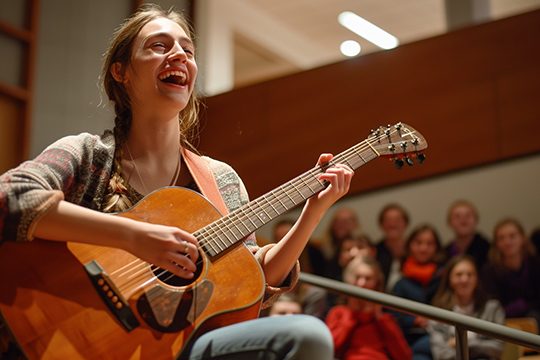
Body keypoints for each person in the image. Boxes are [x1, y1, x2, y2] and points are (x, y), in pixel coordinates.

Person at [0, 4, 355, 359]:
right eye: (159, 46)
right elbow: (10, 197)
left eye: (188, 50)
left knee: (305, 335)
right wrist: (134, 237)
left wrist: (313, 211)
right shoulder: (87, 155)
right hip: (76, 340)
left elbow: (253, 278)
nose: (179, 56)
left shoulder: (219, 179)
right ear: (120, 71)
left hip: (182, 346)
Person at [325, 256, 412, 360]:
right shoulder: (339, 312)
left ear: (376, 283)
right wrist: (352, 316)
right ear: (349, 280)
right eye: (357, 278)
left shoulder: (385, 319)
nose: (362, 284)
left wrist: (379, 318)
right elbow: (329, 349)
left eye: (368, 279)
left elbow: (404, 356)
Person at [428, 255, 505, 360]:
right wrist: (479, 348)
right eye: (459, 275)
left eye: (470, 275)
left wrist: (461, 344)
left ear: (476, 279)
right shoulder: (438, 312)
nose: (464, 280)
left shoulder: (492, 308)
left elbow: (498, 348)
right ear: (449, 280)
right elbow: (440, 354)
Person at [392, 224, 445, 360]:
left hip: (444, 335)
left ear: (436, 248)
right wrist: (414, 321)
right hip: (413, 338)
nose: (423, 248)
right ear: (410, 245)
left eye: (429, 244)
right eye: (418, 243)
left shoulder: (444, 278)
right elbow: (393, 316)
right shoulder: (401, 284)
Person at [480, 218, 540, 327]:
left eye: (512, 236)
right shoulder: (489, 270)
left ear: (523, 238)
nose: (507, 242)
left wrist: (523, 306)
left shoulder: (536, 264)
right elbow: (491, 304)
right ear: (496, 243)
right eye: (501, 238)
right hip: (501, 321)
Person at [444, 200, 490, 271]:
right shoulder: (444, 254)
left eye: (468, 216)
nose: (463, 221)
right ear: (449, 222)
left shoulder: (489, 251)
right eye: (457, 216)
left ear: (476, 219)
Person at [375, 203, 410, 292]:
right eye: (388, 221)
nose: (392, 224)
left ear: (406, 223)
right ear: (381, 224)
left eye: (397, 220)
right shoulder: (375, 252)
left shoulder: (415, 249)